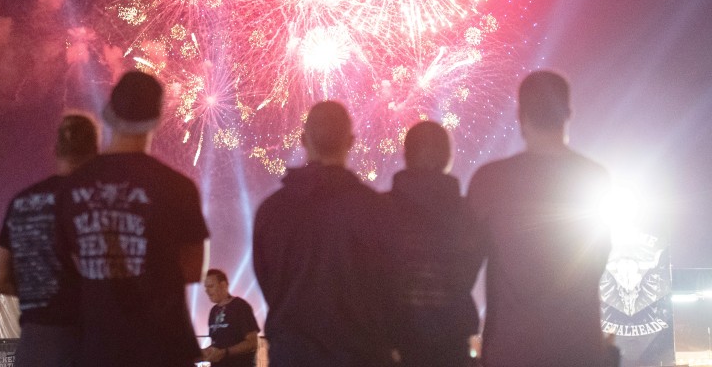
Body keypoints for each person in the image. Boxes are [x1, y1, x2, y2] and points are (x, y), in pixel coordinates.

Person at [56, 70, 210, 367]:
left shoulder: (72, 187)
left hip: (97, 349)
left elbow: (68, 267)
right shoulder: (178, 187)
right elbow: (192, 270)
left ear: (108, 113)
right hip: (164, 349)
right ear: (157, 120)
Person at [466, 70, 612, 367]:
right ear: (568, 113)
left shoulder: (490, 180)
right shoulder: (595, 178)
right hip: (579, 346)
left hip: (510, 348)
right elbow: (598, 259)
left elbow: (466, 262)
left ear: (521, 115)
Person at [253, 100, 395, 367]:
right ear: (351, 141)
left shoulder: (271, 211)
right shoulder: (377, 208)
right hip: (362, 355)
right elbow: (391, 285)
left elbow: (269, 284)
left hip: (292, 355)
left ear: (303, 140)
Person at [0, 112, 99, 367]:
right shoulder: (97, 202)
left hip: (32, 346)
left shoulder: (22, 202)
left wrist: (36, 291)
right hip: (83, 343)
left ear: (55, 149)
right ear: (95, 151)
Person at [386, 120, 481, 367]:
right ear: (448, 157)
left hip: (394, 343)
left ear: (405, 155)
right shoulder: (467, 212)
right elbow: (467, 273)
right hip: (451, 342)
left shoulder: (378, 209)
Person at [202, 268, 260, 366]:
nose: (207, 291)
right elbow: (217, 344)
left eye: (211, 286)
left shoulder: (240, 306)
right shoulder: (213, 311)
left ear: (223, 285)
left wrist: (225, 352)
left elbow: (252, 342)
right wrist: (205, 352)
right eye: (206, 287)